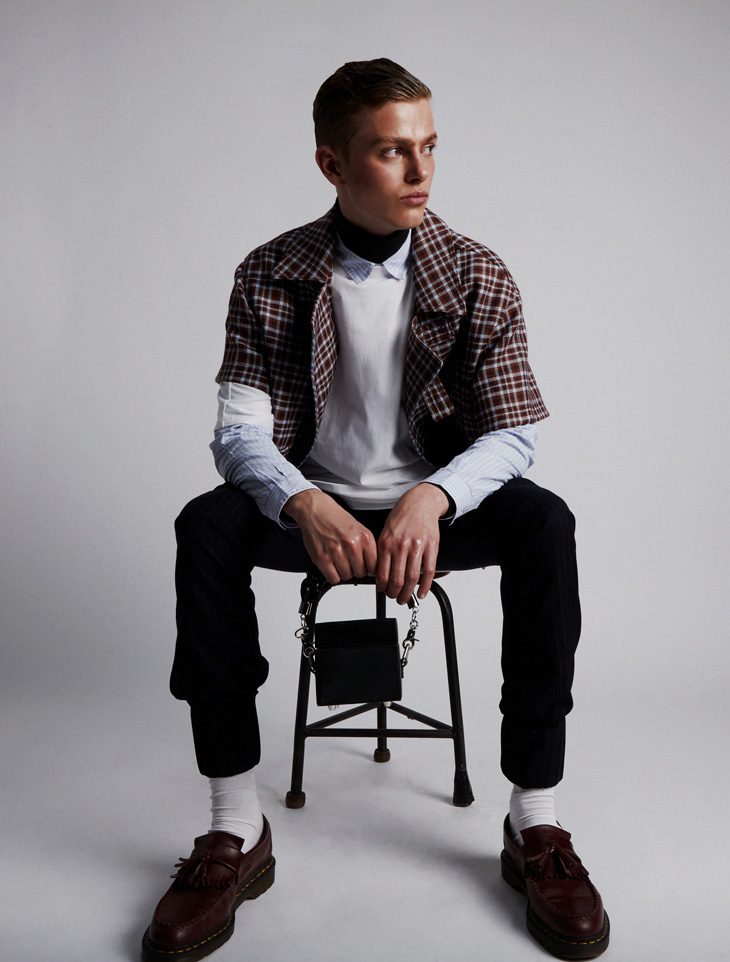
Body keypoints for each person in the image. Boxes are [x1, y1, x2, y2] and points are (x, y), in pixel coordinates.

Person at [142, 58, 609, 961]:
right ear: (333, 164)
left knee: (546, 524)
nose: (421, 170)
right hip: (310, 507)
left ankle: (536, 823)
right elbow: (237, 435)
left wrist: (432, 498)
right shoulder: (271, 272)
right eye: (393, 151)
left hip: (434, 509)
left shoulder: (475, 271)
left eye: (430, 146)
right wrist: (303, 501)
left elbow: (514, 434)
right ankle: (234, 829)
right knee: (205, 526)